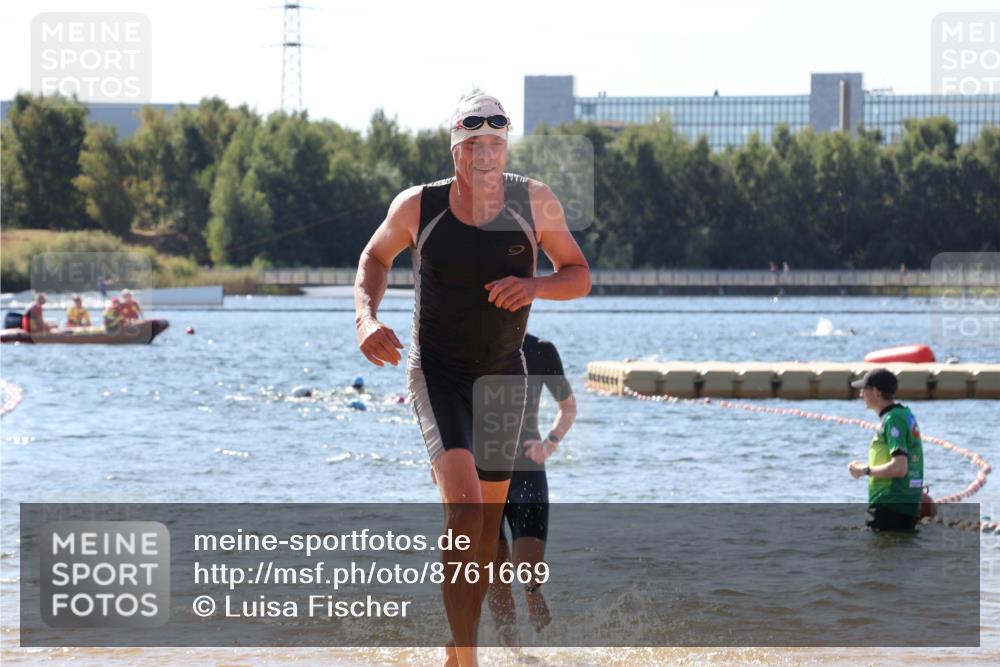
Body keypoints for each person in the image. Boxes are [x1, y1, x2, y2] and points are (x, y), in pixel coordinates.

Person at [354, 93, 590, 667]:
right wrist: (366, 318)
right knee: (464, 516)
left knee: (485, 536)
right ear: (455, 149)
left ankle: (456, 648)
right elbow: (375, 258)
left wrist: (534, 287)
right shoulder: (419, 206)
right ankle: (467, 660)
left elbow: (578, 274)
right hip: (438, 373)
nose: (485, 156)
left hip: (504, 375)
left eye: (495, 145)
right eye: (473, 145)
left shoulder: (534, 202)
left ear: (505, 147)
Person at [487, 333, 576, 648]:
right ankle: (513, 654)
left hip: (527, 469)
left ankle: (532, 591)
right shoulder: (472, 341)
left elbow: (568, 408)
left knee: (528, 566)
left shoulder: (541, 350)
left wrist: (549, 444)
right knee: (495, 574)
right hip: (481, 470)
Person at [847, 368, 925, 531]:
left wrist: (864, 470)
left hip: (889, 506)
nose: (860, 394)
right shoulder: (904, 414)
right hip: (905, 506)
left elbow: (899, 468)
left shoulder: (892, 419)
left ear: (876, 392)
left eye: (864, 389)